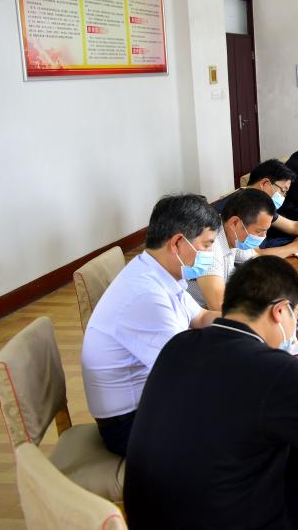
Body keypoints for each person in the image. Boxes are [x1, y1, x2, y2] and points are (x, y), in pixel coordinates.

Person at [124, 256, 298, 530]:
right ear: (280, 311)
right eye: (296, 316)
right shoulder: (279, 370)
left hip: (148, 521)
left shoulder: (178, 344)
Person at [81, 194, 221, 455]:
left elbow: (201, 317)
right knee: (241, 419)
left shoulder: (155, 270)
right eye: (206, 245)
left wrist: (248, 320)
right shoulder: (146, 295)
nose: (210, 255)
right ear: (177, 243)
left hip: (151, 399)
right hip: (129, 425)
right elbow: (187, 374)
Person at [187, 188, 275, 311]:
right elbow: (219, 306)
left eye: (265, 231)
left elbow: (257, 260)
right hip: (194, 315)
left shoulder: (232, 234)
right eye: (259, 231)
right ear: (235, 223)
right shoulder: (210, 244)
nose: (263, 237)